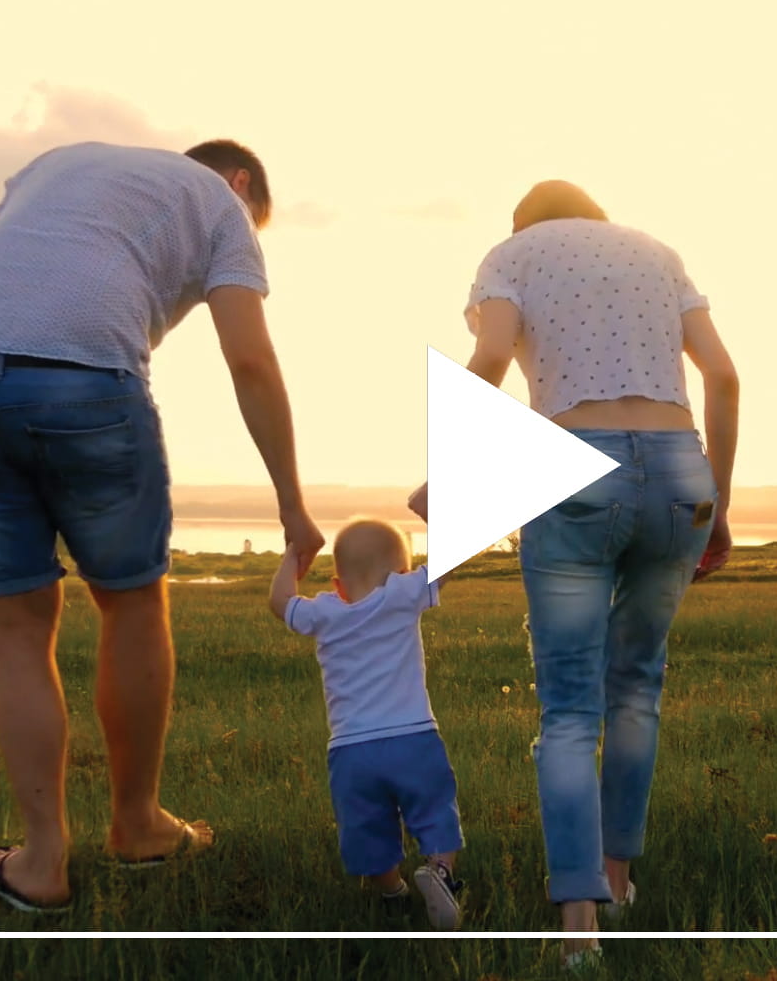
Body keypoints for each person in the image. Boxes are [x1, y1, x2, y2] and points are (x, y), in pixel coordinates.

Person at [0, 139, 325, 913]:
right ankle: (137, 826)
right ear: (240, 183)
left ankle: (41, 861)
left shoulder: (65, 162)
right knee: (130, 601)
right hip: (83, 381)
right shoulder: (223, 204)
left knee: (18, 622)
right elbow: (251, 360)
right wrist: (292, 504)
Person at [456, 179, 739, 967]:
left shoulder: (512, 255)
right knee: (638, 686)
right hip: (682, 472)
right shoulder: (657, 253)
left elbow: (490, 358)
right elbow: (724, 376)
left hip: (574, 469)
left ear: (525, 226)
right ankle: (620, 880)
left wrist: (448, 469)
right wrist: (720, 501)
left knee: (570, 710)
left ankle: (579, 926)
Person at [268, 510, 466, 929]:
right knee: (434, 809)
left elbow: (280, 601)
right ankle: (440, 871)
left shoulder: (323, 612)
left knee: (367, 827)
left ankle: (391, 890)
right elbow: (454, 559)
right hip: (414, 738)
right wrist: (435, 513)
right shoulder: (401, 594)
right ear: (402, 572)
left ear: (337, 584)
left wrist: (293, 555)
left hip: (351, 750)